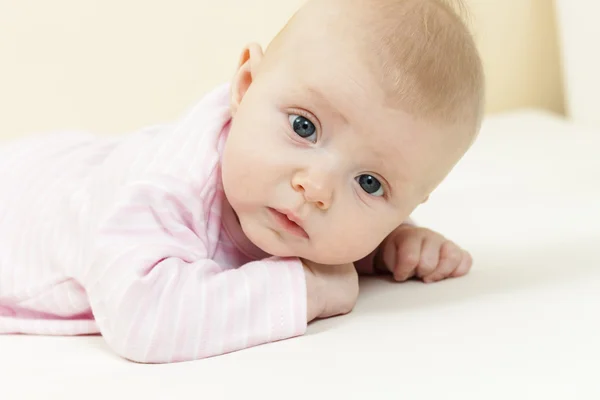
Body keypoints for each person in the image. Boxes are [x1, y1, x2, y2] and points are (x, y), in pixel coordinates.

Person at [0, 0, 484, 363]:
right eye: (304, 128)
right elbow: (140, 316)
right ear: (245, 88)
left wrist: (390, 246)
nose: (317, 187)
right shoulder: (163, 190)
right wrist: (305, 290)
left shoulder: (285, 186)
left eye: (371, 184)